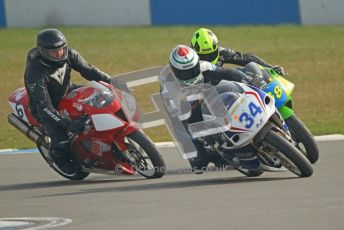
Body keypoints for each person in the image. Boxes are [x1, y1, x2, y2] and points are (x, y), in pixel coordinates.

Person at [24, 28, 129, 174]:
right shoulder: (34, 72)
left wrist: (112, 81)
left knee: (101, 97)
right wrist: (66, 123)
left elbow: (89, 71)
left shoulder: (70, 54)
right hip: (46, 107)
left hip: (67, 90)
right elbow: (44, 105)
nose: (59, 54)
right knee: (62, 141)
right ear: (42, 52)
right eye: (53, 52)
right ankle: (58, 157)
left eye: (61, 49)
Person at [164, 45, 260, 174]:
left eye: (193, 69)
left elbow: (228, 72)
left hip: (215, 96)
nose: (190, 74)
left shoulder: (204, 65)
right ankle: (221, 154)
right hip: (189, 112)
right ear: (174, 70)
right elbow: (178, 119)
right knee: (199, 164)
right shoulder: (168, 88)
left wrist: (246, 78)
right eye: (184, 72)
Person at [190, 27, 285, 75]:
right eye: (204, 56)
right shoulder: (186, 60)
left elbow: (245, 58)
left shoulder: (221, 52)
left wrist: (269, 67)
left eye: (211, 54)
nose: (208, 59)